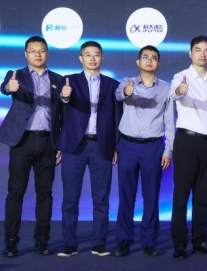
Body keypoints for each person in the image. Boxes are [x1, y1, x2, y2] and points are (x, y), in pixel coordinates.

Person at [0, 36, 65, 257]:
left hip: (48, 142)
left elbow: (62, 113)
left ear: (47, 53)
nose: (37, 54)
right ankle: (10, 242)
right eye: (33, 51)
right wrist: (8, 87)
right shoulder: (16, 75)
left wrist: (61, 143)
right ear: (26, 54)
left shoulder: (58, 79)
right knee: (16, 192)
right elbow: (5, 88)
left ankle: (42, 241)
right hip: (22, 141)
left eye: (41, 50)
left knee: (45, 193)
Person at [56, 41, 122, 258]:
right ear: (80, 58)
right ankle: (69, 243)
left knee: (101, 198)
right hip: (74, 147)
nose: (92, 58)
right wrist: (65, 95)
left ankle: (99, 243)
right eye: (88, 54)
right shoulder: (69, 81)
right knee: (70, 198)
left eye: (96, 54)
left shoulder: (112, 85)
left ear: (102, 58)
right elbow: (61, 103)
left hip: (101, 146)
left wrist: (115, 146)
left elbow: (117, 118)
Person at [113, 45, 176, 258]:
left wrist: (168, 150)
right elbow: (119, 95)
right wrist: (127, 92)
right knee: (126, 196)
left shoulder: (166, 88)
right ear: (138, 62)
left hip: (153, 147)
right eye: (145, 57)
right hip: (127, 146)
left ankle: (150, 241)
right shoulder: (127, 82)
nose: (149, 60)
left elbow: (170, 121)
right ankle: (123, 240)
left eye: (154, 58)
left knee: (151, 196)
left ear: (159, 63)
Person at [169, 35, 207, 259]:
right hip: (186, 140)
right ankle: (179, 244)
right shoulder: (180, 77)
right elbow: (173, 94)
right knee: (181, 194)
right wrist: (180, 91)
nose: (203, 54)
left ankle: (200, 240)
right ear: (190, 53)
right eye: (198, 50)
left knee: (203, 195)